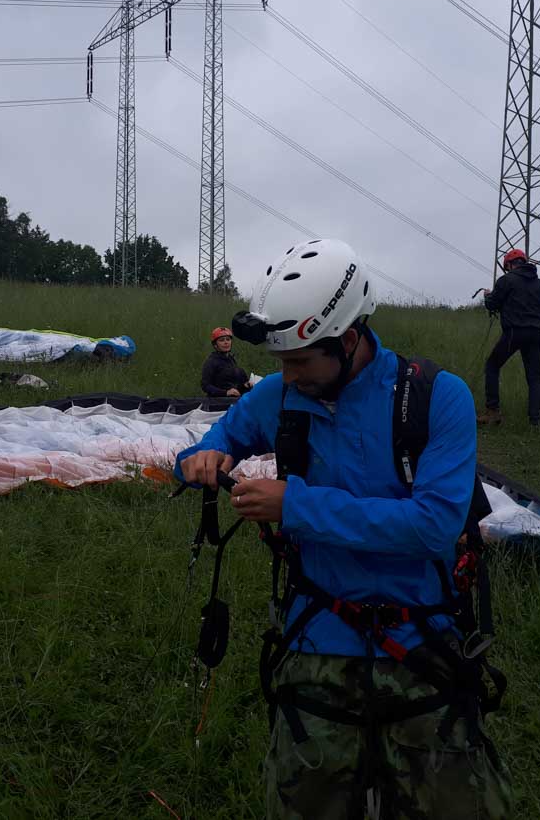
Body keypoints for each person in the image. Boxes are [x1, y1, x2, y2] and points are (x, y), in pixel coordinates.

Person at [176, 239, 511, 820]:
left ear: (349, 339)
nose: (286, 376)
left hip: (422, 640)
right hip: (318, 635)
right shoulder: (279, 395)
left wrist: (295, 505)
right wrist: (205, 456)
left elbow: (433, 528)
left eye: (301, 362)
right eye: (281, 361)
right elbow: (221, 436)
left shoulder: (435, 398)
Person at [478, 248, 540, 426]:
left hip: (515, 332)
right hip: (538, 333)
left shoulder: (507, 280)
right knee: (534, 377)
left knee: (492, 365)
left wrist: (487, 297)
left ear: (509, 265)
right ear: (524, 262)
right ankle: (536, 421)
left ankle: (492, 412)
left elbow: (493, 304)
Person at [201, 326, 252, 398]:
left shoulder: (231, 360)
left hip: (232, 401)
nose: (226, 342)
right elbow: (205, 385)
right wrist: (225, 393)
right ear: (215, 345)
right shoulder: (211, 362)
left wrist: (244, 386)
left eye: (228, 339)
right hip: (217, 402)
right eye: (222, 340)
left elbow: (233, 387)